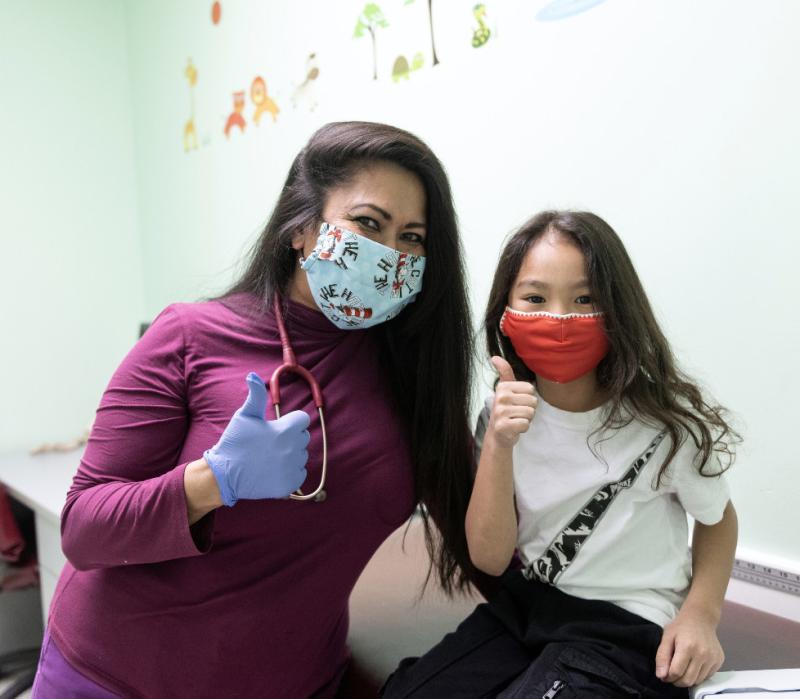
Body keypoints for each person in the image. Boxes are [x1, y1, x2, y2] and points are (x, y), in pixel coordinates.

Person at [32, 121, 479, 698]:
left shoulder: (413, 380)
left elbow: (484, 543)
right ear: (300, 228)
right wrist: (211, 481)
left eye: (412, 237)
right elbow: (84, 529)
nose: (388, 254)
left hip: (291, 683)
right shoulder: (189, 335)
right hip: (117, 677)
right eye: (367, 224)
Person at [382, 211, 740, 698]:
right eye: (534, 298)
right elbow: (488, 558)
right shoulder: (500, 414)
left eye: (585, 299)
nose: (560, 319)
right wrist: (500, 443)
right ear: (505, 315)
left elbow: (717, 519)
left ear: (618, 309)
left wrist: (701, 615)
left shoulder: (664, 424)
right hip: (528, 608)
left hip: (628, 625)